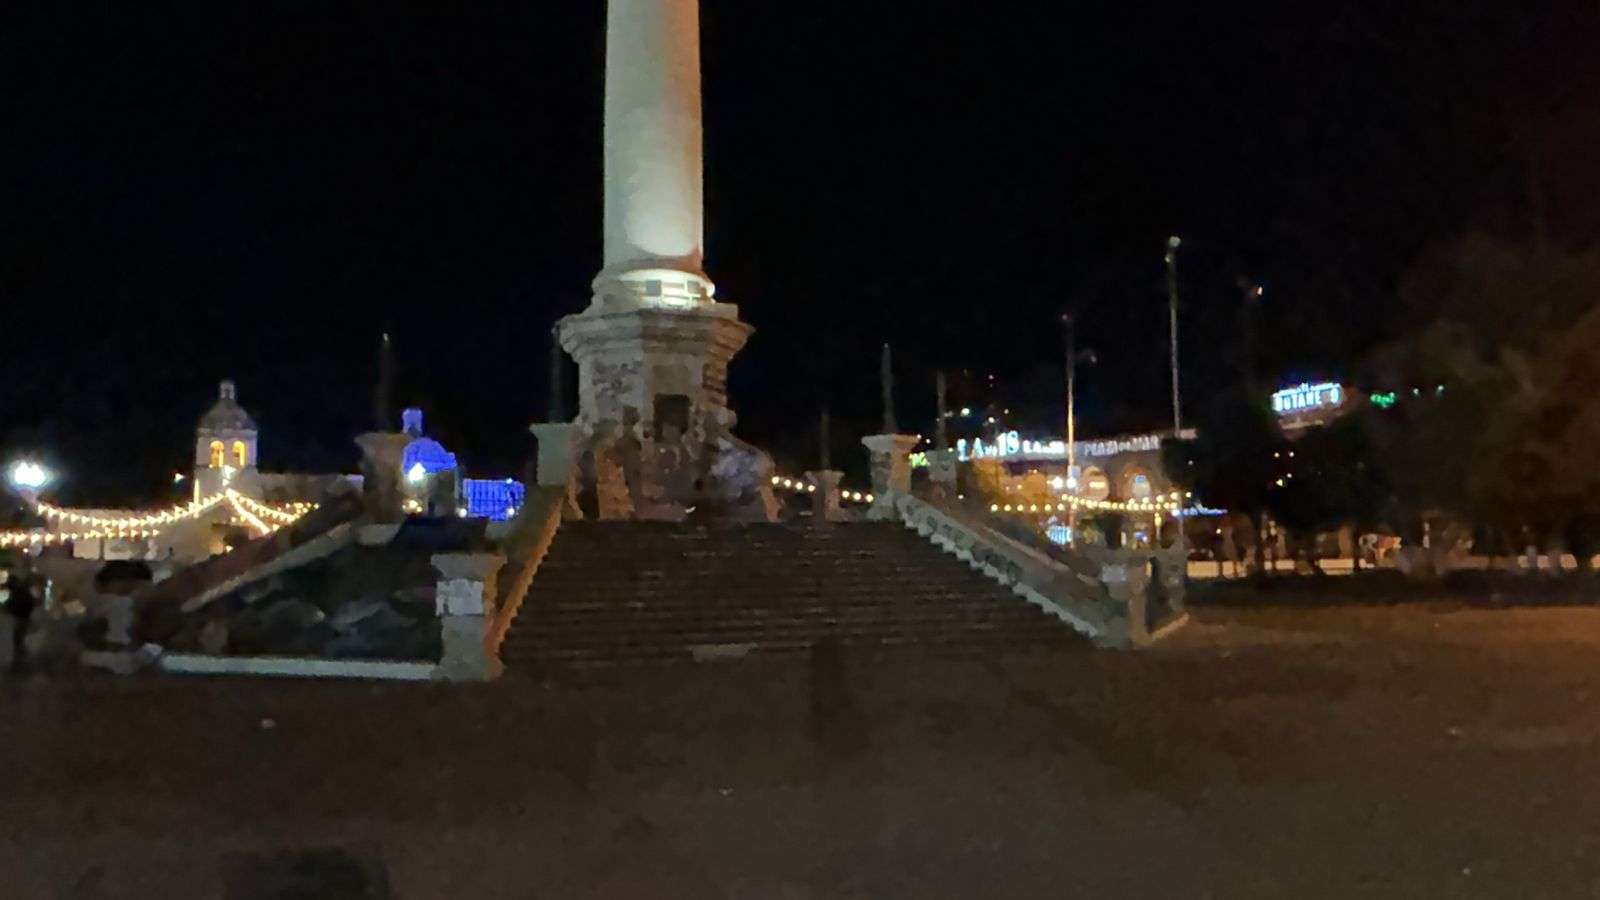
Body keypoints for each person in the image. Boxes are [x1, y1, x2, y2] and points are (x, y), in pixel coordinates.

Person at [3, 567, 37, 674]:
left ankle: (20, 659)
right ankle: (21, 656)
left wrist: (10, 609)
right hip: (23, 618)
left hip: (21, 618)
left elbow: (16, 604)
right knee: (19, 638)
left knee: (18, 638)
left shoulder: (19, 592)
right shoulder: (20, 590)